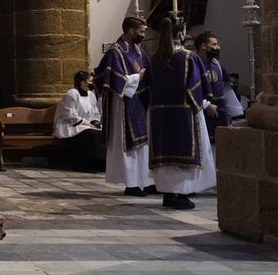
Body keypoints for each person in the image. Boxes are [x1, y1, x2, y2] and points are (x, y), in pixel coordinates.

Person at [147, 16, 217, 210]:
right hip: (184, 113)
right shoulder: (188, 57)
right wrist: (201, 102)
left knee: (166, 154)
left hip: (159, 115)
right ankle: (181, 193)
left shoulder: (155, 58)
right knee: (184, 152)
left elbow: (146, 88)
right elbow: (195, 86)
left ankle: (168, 194)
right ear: (180, 34)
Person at [95, 16, 155, 196]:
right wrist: (139, 76)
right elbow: (114, 81)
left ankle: (145, 180)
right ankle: (132, 183)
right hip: (123, 103)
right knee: (128, 143)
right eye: (141, 32)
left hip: (139, 101)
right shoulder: (115, 52)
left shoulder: (138, 50)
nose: (143, 35)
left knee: (143, 143)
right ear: (130, 31)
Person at [52, 70, 104, 172]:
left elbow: (95, 112)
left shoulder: (91, 94)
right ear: (83, 82)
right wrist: (87, 124)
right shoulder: (71, 94)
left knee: (102, 132)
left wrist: (95, 122)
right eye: (90, 81)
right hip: (69, 125)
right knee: (90, 134)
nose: (92, 84)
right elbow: (69, 114)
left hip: (87, 124)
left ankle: (99, 163)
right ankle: (85, 164)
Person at [195, 32, 231, 140]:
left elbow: (225, 87)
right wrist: (206, 105)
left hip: (220, 108)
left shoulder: (217, 63)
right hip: (203, 108)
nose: (218, 47)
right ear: (203, 46)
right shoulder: (194, 63)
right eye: (214, 44)